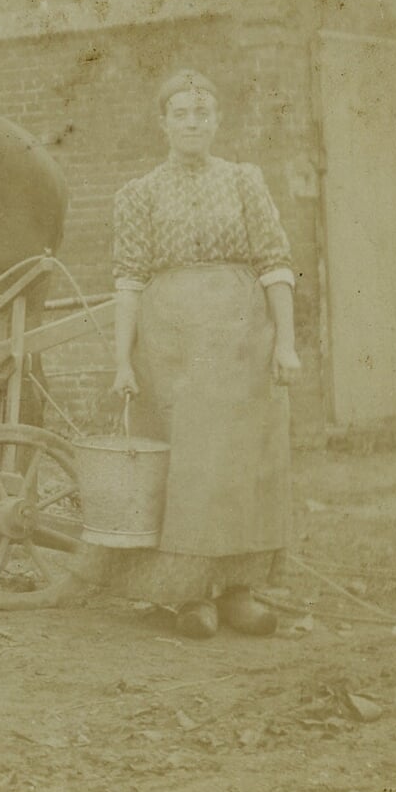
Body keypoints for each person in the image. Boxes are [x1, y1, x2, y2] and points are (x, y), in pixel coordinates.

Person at [91, 68, 300, 639]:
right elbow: (129, 278)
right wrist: (122, 359)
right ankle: (185, 598)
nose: (191, 122)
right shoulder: (138, 195)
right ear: (163, 123)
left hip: (242, 338)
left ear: (217, 120)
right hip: (172, 344)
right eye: (180, 113)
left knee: (243, 464)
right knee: (187, 467)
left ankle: (239, 591)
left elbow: (275, 262)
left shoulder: (244, 182)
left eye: (201, 112)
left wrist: (285, 340)